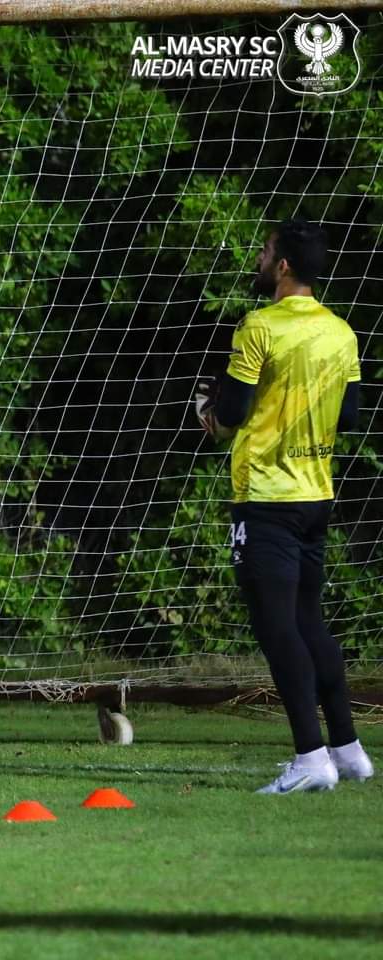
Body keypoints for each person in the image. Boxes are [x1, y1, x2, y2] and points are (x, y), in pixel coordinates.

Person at [197, 219, 370, 794]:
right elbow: (349, 417)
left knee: (278, 631)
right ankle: (349, 751)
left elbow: (232, 413)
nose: (260, 259)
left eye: (266, 251)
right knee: (308, 622)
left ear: (285, 266)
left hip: (268, 497)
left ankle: (310, 758)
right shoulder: (341, 332)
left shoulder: (260, 326)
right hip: (316, 495)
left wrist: (212, 416)